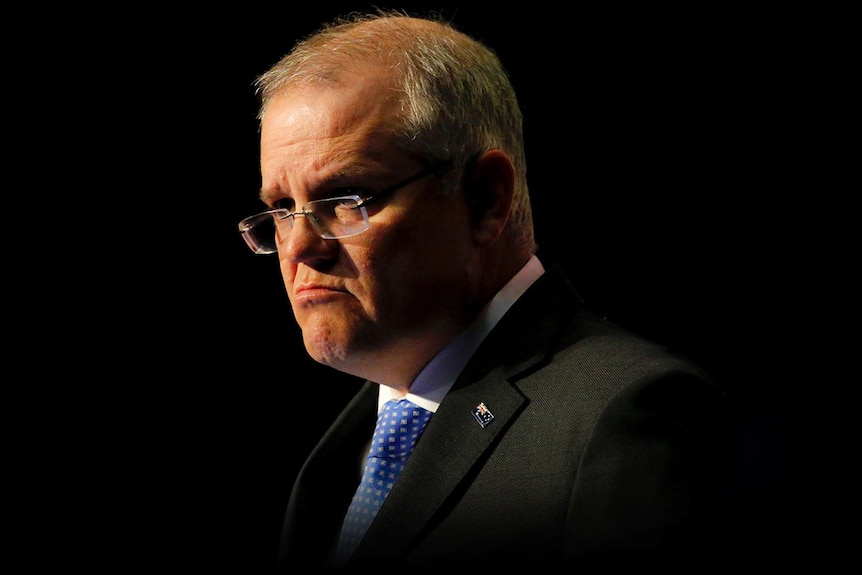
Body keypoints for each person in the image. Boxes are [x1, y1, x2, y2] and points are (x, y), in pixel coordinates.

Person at [237, 9, 739, 571]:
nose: (299, 246)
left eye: (347, 198)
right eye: (281, 209)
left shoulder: (621, 416)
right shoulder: (337, 456)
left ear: (485, 199)